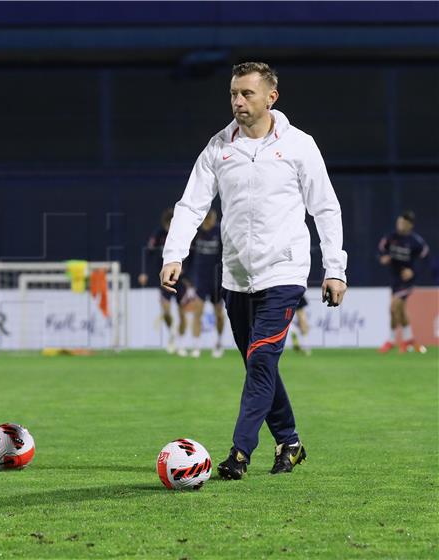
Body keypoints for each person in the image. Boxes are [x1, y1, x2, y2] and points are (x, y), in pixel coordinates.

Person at [160, 62, 347, 480]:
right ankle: (290, 442)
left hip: (283, 273)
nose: (238, 102)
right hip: (236, 277)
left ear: (270, 97)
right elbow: (191, 205)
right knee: (258, 364)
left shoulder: (299, 146)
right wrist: (174, 255)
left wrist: (335, 269)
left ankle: (240, 453)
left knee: (262, 360)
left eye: (246, 94)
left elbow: (325, 208)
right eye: (233, 94)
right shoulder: (218, 147)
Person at [138, 208, 193, 354]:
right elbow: (148, 252)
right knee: (166, 311)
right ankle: (172, 334)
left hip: (181, 280)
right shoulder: (159, 234)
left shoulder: (182, 235)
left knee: (182, 313)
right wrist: (144, 272)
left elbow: (192, 256)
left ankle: (180, 343)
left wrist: (189, 277)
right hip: (165, 279)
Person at [377, 210, 430, 354]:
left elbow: (425, 259)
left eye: (404, 223)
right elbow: (381, 249)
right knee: (399, 310)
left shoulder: (415, 242)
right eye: (399, 222)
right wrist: (383, 258)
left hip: (407, 280)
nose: (400, 225)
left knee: (394, 307)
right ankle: (409, 340)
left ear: (410, 225)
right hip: (394, 278)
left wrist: (413, 271)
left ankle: (391, 340)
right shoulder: (391, 237)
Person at [189, 208, 226, 358]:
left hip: (217, 279)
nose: (209, 223)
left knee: (219, 314)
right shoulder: (196, 233)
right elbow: (190, 255)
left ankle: (218, 343)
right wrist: (187, 276)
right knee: (198, 312)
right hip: (201, 278)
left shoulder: (220, 232)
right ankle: (197, 346)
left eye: (211, 221)